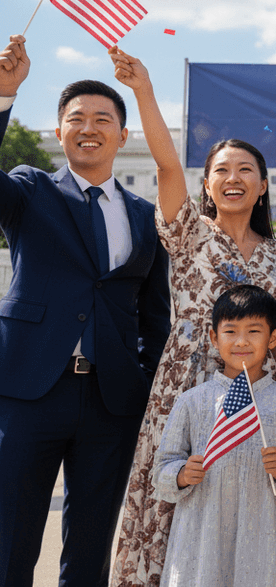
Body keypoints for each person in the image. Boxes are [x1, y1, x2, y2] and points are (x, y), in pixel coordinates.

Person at [108, 48, 276, 587]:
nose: (234, 177)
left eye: (247, 169)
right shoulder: (188, 232)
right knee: (181, 492)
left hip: (258, 392)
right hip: (188, 382)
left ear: (265, 185)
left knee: (254, 507)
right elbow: (168, 164)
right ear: (207, 185)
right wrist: (144, 91)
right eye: (222, 170)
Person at [0, 35, 171, 587]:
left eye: (103, 118)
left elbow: (154, 315)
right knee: (10, 536)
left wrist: (143, 382)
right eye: (77, 118)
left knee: (92, 544)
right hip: (29, 390)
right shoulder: (28, 190)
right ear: (59, 132)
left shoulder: (146, 217)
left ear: (123, 135)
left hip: (111, 399)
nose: (89, 127)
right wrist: (4, 96)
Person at [151, 285, 276, 587]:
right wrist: (182, 475)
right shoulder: (192, 401)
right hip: (200, 538)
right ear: (214, 338)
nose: (241, 341)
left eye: (254, 331)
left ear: (273, 338)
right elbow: (161, 469)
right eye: (230, 331)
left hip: (261, 534)